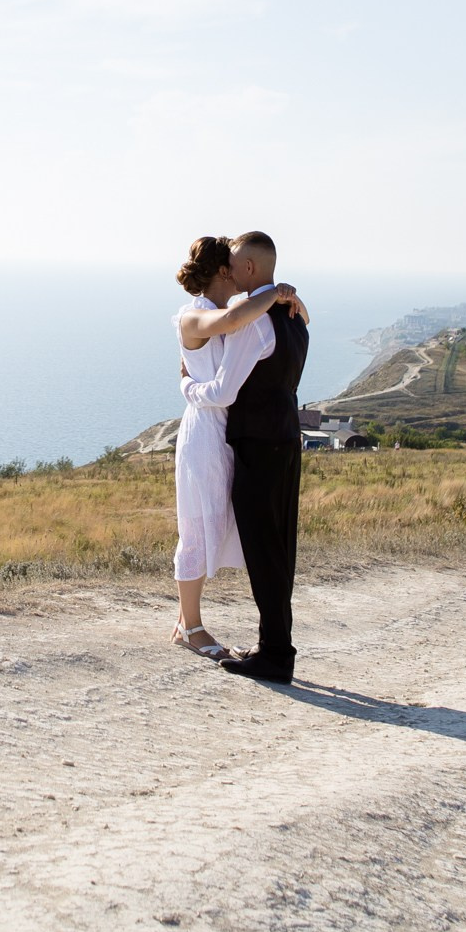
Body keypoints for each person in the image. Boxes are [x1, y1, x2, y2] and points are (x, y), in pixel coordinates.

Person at [169, 235, 303, 663]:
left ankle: (185, 620)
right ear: (225, 272)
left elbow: (245, 323)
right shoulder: (194, 317)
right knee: (196, 529)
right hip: (207, 433)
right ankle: (191, 626)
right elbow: (230, 327)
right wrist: (190, 388)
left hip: (229, 434)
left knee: (216, 525)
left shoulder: (240, 312)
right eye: (231, 263)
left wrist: (282, 295)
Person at [216, 231, 310, 685]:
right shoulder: (294, 315)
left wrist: (187, 384)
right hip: (287, 438)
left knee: (263, 549)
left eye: (232, 265)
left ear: (250, 268)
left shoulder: (252, 321)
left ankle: (275, 655)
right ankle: (275, 645)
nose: (227, 272)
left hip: (258, 444)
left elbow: (227, 389)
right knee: (280, 547)